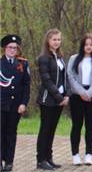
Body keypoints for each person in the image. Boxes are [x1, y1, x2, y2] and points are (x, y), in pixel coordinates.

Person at [67, 33, 92, 166]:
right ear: (82, 46)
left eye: (91, 45)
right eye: (86, 44)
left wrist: (89, 93)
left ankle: (89, 154)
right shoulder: (74, 59)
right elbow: (70, 76)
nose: (88, 47)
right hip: (77, 95)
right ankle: (75, 154)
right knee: (77, 125)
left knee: (90, 125)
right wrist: (82, 92)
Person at [36, 28, 70, 170]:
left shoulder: (60, 56)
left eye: (58, 39)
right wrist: (58, 97)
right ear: (48, 41)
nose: (56, 42)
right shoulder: (44, 58)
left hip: (60, 99)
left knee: (52, 129)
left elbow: (65, 77)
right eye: (54, 39)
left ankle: (49, 157)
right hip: (48, 99)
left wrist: (67, 95)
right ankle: (41, 159)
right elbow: (46, 79)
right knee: (45, 128)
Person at [0, 35, 30, 172]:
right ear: (4, 48)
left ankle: (9, 161)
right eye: (10, 47)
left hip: (15, 105)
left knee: (11, 133)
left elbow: (26, 85)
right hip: (1, 103)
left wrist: (24, 103)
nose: (12, 50)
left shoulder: (22, 64)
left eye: (15, 48)